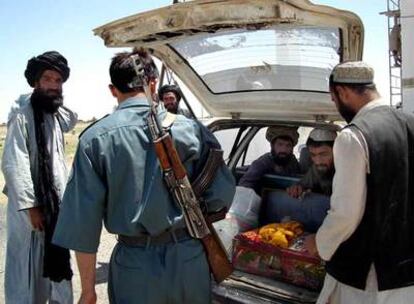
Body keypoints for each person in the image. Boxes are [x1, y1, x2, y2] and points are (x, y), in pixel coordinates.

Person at [52, 51, 236, 304]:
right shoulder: (192, 129)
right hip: (189, 259)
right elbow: (222, 197)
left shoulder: (94, 139)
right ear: (153, 84)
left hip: (134, 266)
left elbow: (83, 225)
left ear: (112, 89)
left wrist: (88, 290)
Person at [305, 61, 414, 303]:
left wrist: (319, 243)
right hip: (405, 273)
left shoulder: (353, 135)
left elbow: (346, 214)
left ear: (342, 92)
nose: (336, 106)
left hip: (366, 277)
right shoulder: (410, 122)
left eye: (334, 100)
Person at [1, 51, 76, 303]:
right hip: (30, 212)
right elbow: (14, 163)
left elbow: (71, 119)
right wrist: (32, 206)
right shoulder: (21, 115)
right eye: (47, 80)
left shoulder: (54, 114)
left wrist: (53, 99)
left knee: (57, 266)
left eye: (58, 81)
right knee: (28, 268)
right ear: (35, 82)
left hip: (56, 206)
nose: (54, 85)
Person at [238, 126, 301, 195]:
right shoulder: (262, 162)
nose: (284, 150)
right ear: (272, 145)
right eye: (280, 144)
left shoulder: (292, 161)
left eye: (288, 145)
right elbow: (245, 185)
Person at [287, 128, 336, 198]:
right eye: (313, 155)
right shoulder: (317, 169)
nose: (318, 161)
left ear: (336, 152)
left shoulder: (348, 170)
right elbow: (303, 184)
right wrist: (297, 188)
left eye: (323, 154)